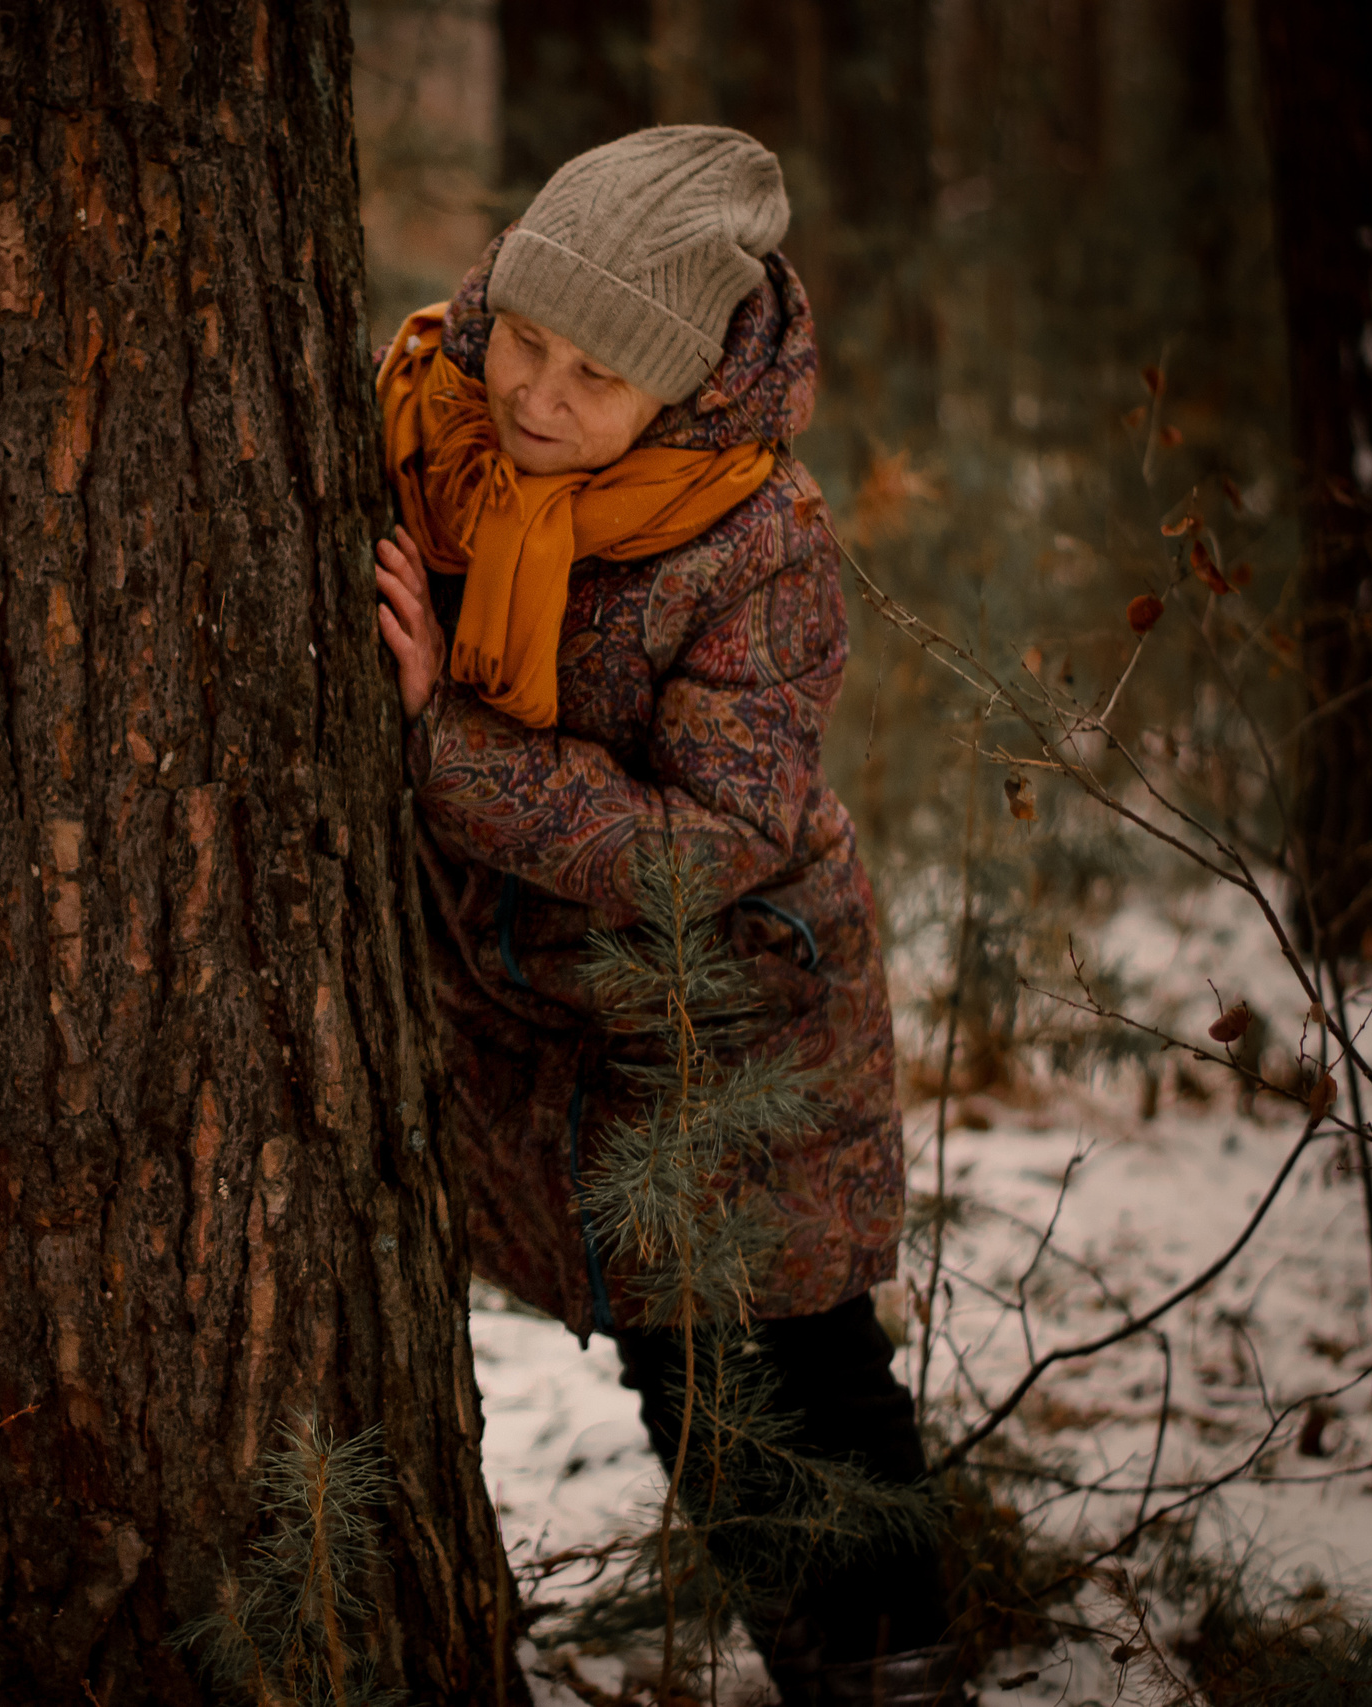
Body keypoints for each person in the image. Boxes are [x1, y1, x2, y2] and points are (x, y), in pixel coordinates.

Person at [371, 128, 960, 1706]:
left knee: (800, 1355)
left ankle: (893, 1664)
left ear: (688, 385)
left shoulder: (758, 545)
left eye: (598, 377)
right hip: (543, 999)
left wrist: (448, 745)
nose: (539, 396)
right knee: (667, 1343)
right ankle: (819, 1649)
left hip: (743, 1001)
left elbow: (712, 841)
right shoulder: (427, 422)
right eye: (531, 341)